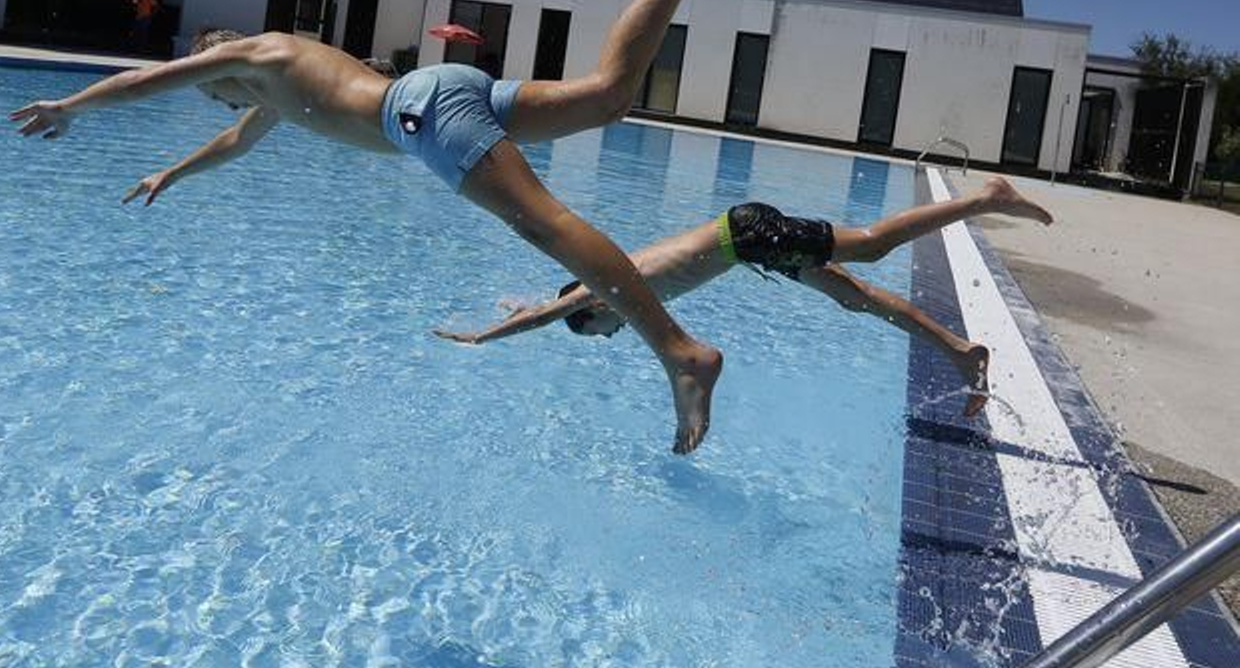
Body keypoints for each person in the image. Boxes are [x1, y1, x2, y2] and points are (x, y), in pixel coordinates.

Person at [11, 0, 763, 454]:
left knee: (546, 224)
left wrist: (71, 106)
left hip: (421, 113)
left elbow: (148, 80)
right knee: (607, 96)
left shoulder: (256, 54)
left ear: (216, 62)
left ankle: (680, 353)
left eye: (213, 89)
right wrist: (171, 174)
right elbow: (235, 143)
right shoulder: (277, 86)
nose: (219, 100)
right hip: (446, 90)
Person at [435, 178, 1056, 416]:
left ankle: (985, 198)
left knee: (871, 246)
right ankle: (962, 352)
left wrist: (483, 336)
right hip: (750, 246)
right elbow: (549, 305)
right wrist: (519, 305)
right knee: (857, 296)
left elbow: (553, 309)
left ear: (593, 310)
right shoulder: (609, 283)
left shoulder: (607, 288)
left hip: (749, 235)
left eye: (608, 329)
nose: (621, 330)